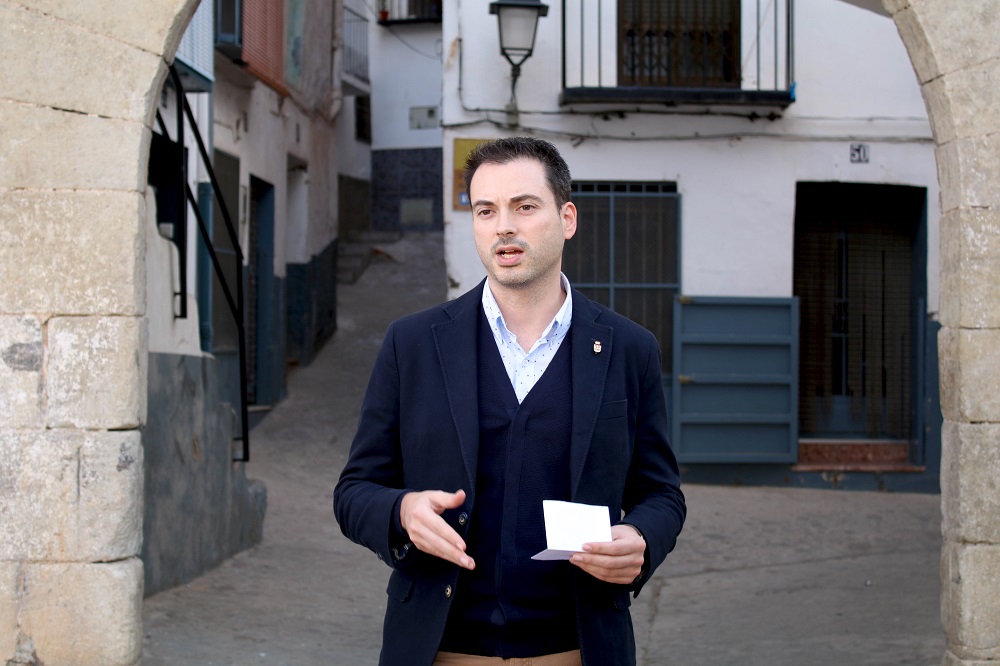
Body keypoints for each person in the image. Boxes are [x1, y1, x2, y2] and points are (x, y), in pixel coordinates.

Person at [334, 136, 686, 666]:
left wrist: (641, 537)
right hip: (441, 650)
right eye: (486, 210)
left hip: (579, 648)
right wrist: (401, 510)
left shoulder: (629, 349)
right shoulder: (413, 344)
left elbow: (661, 493)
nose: (503, 226)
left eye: (524, 207)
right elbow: (354, 491)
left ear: (567, 218)